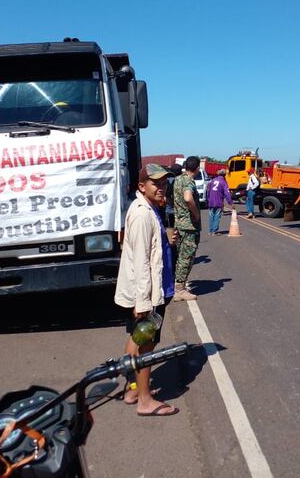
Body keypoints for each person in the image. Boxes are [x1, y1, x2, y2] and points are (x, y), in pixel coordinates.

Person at [114, 163, 179, 417]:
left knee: (136, 340)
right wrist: (143, 304)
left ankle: (131, 389)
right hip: (147, 295)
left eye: (164, 183)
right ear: (142, 186)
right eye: (156, 183)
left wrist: (166, 238)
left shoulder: (150, 209)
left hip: (149, 291)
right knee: (146, 346)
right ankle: (144, 400)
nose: (162, 188)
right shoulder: (142, 214)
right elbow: (141, 262)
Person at [172, 156, 202, 301]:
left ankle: (178, 284)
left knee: (180, 256)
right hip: (189, 226)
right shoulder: (188, 181)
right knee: (186, 257)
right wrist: (195, 214)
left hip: (180, 224)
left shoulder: (178, 179)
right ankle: (180, 290)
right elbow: (188, 198)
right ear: (197, 168)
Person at [207, 168, 233, 235]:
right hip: (218, 201)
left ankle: (210, 230)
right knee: (217, 216)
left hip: (211, 201)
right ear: (224, 175)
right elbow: (227, 193)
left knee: (211, 216)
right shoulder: (223, 182)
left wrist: (208, 199)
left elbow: (208, 191)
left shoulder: (212, 181)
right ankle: (215, 231)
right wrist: (230, 202)